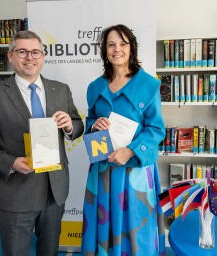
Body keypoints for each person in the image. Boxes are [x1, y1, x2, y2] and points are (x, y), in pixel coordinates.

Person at [0, 30, 84, 256]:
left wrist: (70, 126)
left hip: (55, 191)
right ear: (11, 56)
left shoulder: (61, 89)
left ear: (43, 56)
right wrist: (11, 162)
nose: (30, 57)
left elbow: (78, 124)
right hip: (16, 193)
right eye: (22, 52)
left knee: (49, 252)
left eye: (35, 52)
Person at [81, 24, 166, 256]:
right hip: (103, 170)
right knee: (102, 226)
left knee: (137, 228)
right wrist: (93, 125)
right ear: (104, 50)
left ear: (131, 48)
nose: (117, 49)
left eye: (122, 43)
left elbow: (157, 129)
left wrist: (129, 151)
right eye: (111, 44)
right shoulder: (95, 87)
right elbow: (90, 122)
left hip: (134, 172)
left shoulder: (148, 85)